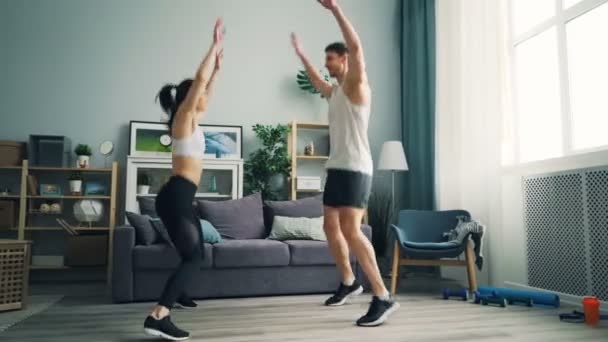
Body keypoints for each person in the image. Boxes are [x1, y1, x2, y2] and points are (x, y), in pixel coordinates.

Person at [290, 0, 399, 327]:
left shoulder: (356, 85)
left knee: (351, 229)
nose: (327, 65)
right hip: (337, 168)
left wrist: (335, 9)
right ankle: (350, 281)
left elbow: (356, 45)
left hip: (355, 167)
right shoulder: (335, 92)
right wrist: (302, 55)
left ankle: (382, 296)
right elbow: (316, 80)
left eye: (330, 60)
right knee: (329, 227)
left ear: (344, 60)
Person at [143, 19, 224, 341]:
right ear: (192, 96)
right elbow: (199, 81)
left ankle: (178, 294)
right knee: (194, 257)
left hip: (180, 196)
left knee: (195, 251)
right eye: (200, 93)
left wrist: (218, 69)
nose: (206, 97)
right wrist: (213, 47)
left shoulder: (192, 121)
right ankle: (158, 315)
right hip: (176, 196)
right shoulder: (185, 116)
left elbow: (208, 86)